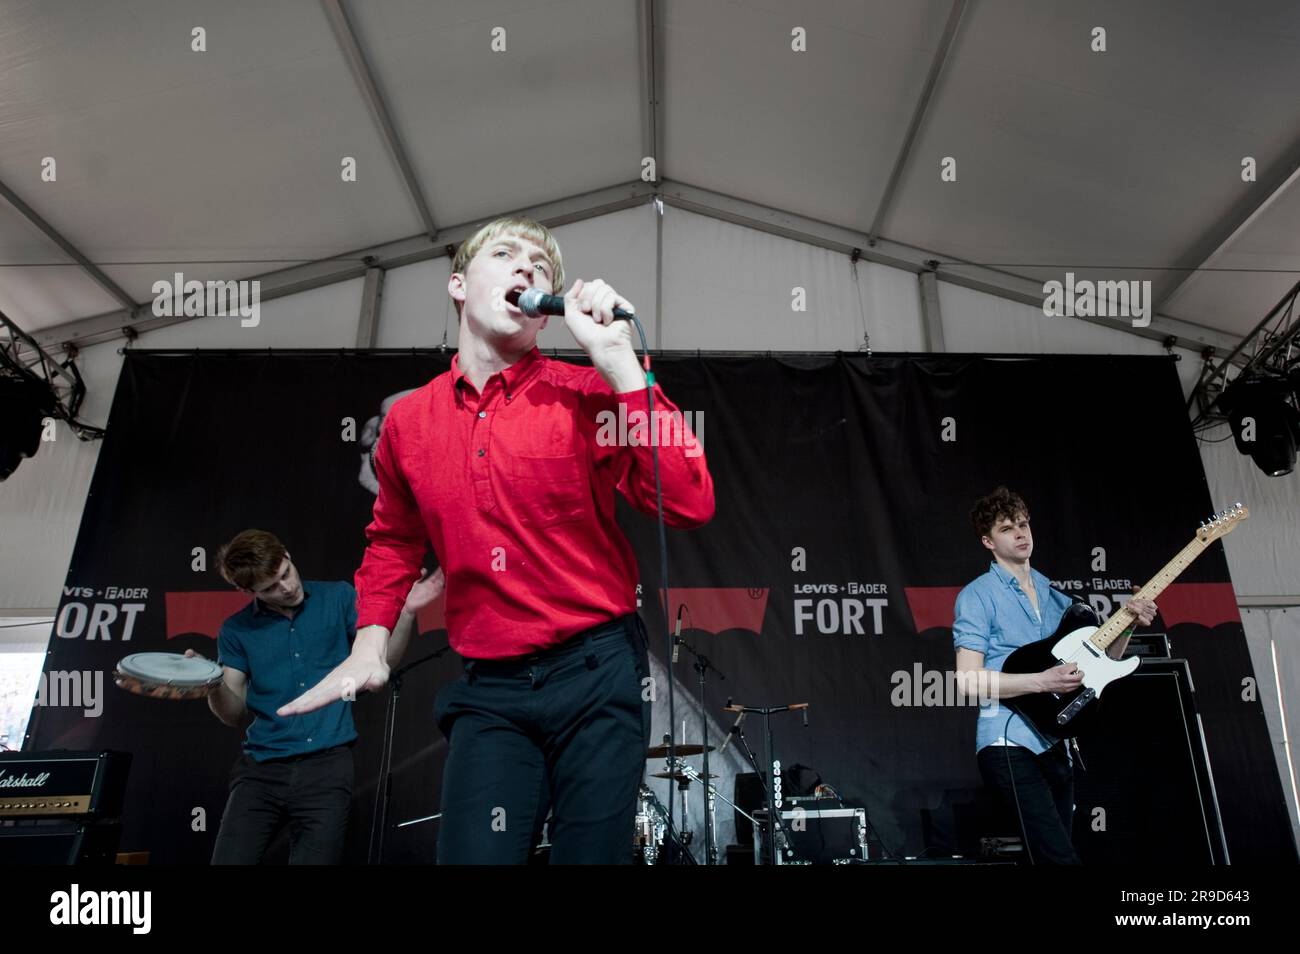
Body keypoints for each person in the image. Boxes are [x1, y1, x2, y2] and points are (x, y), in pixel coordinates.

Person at [280, 216, 715, 863]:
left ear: (546, 314)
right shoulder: (409, 422)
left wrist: (622, 365)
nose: (527, 270)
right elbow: (394, 542)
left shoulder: (588, 394)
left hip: (596, 670)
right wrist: (371, 645)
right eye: (507, 255)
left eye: (542, 269)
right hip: (492, 690)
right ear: (458, 284)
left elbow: (688, 500)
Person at [199, 528, 442, 864]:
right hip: (260, 772)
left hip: (327, 768)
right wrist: (210, 683)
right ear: (246, 590)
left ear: (286, 553)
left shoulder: (339, 597)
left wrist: (406, 614)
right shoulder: (236, 630)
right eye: (270, 587)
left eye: (285, 573)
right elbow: (233, 713)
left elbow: (381, 662)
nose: (286, 587)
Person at [952, 487, 1155, 864]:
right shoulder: (976, 596)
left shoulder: (1060, 598)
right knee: (1060, 859)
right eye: (1008, 528)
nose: (1020, 533)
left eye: (1024, 524)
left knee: (1051, 859)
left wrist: (1127, 626)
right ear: (987, 541)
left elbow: (1104, 661)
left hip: (1058, 742)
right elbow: (967, 680)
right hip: (1007, 742)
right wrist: (1042, 681)